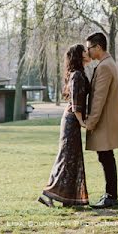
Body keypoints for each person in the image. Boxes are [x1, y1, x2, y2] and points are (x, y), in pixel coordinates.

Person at [39, 43, 91, 207]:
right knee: (67, 158)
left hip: (73, 120)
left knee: (71, 158)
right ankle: (49, 194)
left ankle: (66, 198)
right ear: (79, 55)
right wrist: (82, 120)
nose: (87, 52)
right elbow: (76, 101)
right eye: (84, 51)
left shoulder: (80, 73)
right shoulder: (76, 75)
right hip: (71, 120)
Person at [84, 31, 118, 209]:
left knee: (106, 157)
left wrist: (90, 122)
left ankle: (111, 196)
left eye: (89, 48)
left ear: (98, 47)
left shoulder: (104, 66)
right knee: (106, 157)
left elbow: (98, 98)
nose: (88, 52)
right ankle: (110, 195)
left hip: (104, 122)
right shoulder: (109, 63)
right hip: (107, 120)